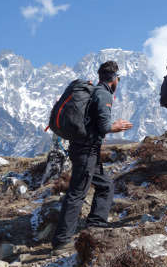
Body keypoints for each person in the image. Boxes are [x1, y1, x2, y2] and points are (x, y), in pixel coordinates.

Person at [51, 61, 133, 255]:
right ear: (115, 79)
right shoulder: (104, 94)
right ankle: (62, 241)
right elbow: (104, 126)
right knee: (77, 192)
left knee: (105, 185)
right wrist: (118, 126)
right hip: (87, 150)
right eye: (118, 79)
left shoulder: (94, 91)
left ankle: (96, 225)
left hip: (84, 149)